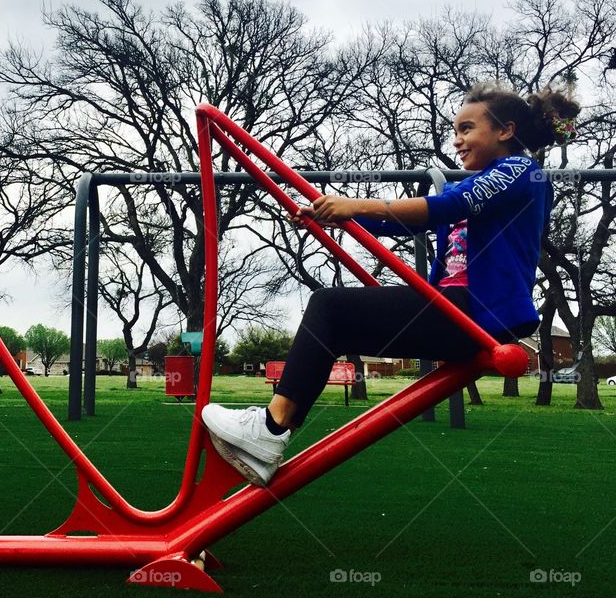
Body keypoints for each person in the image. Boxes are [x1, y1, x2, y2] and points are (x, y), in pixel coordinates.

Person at [202, 83, 579, 487]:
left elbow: (445, 207)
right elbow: (404, 217)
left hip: (481, 311)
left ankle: (270, 428)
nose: (457, 141)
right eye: (455, 131)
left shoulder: (523, 173)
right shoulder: (475, 184)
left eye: (467, 129)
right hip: (459, 309)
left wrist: (353, 205)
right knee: (334, 322)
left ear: (505, 131)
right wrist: (330, 213)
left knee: (330, 306)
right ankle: (275, 433)